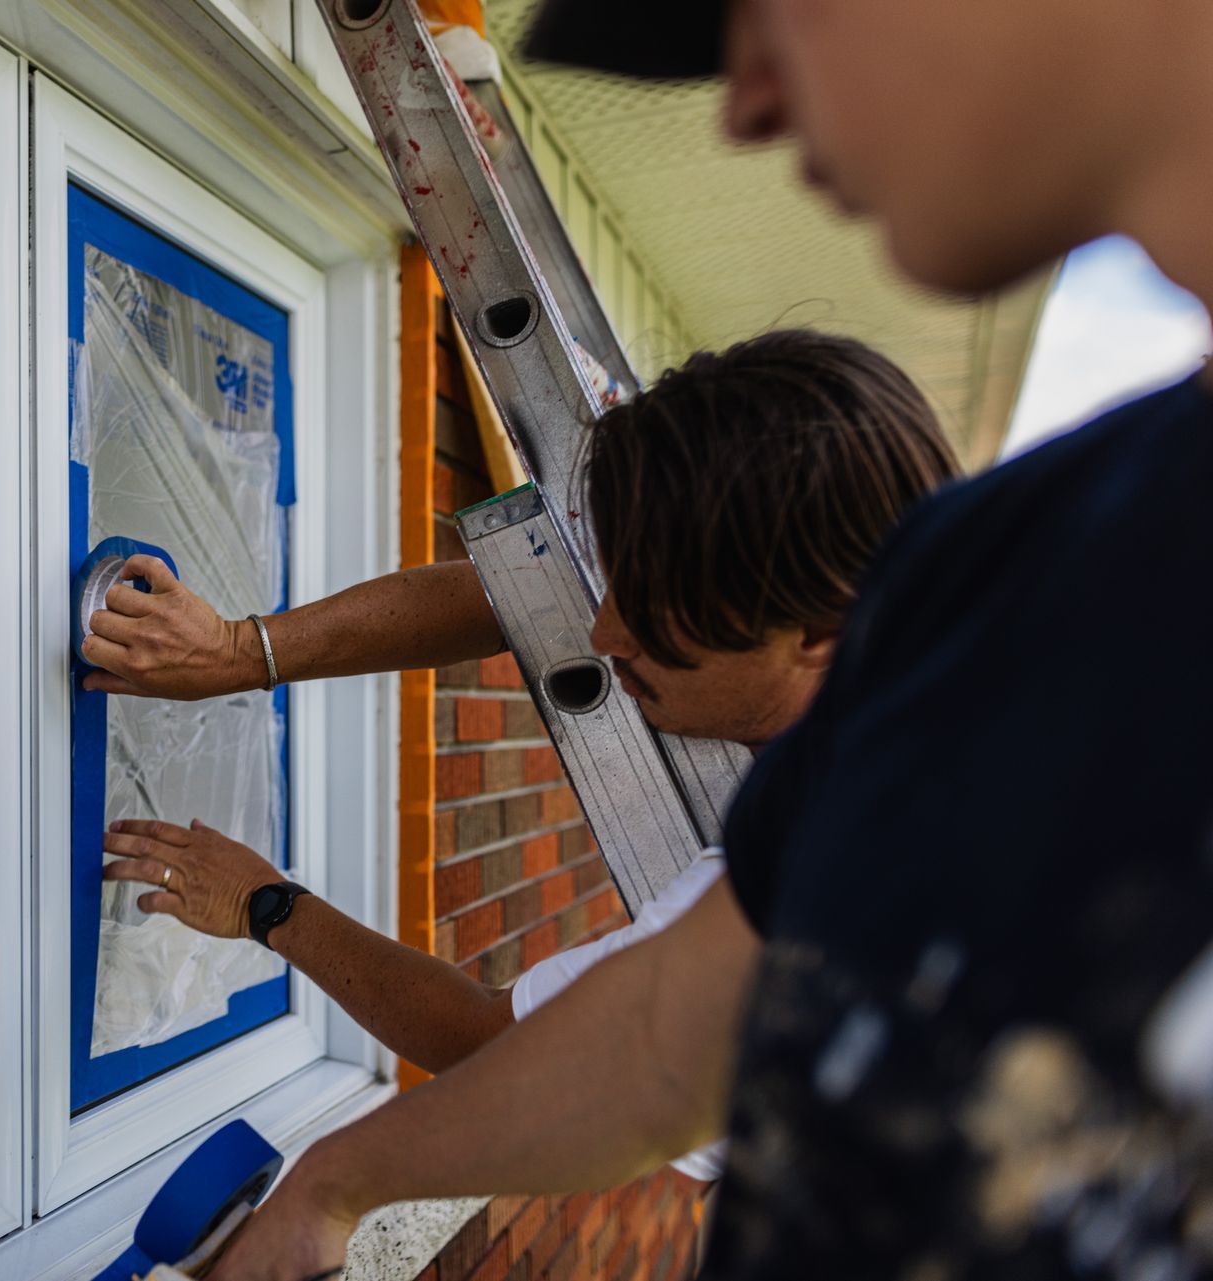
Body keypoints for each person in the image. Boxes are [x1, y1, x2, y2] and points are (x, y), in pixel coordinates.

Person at [196, 1, 1213, 1278]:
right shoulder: (1003, 564)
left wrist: (266, 828)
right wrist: (338, 1182)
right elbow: (674, 1036)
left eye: (775, 18)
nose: (746, 109)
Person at [94, 328, 957, 1181]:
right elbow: (520, 596)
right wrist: (243, 650)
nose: (604, 632)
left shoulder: (835, 880)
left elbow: (499, 1048)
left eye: (655, 606)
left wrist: (265, 903)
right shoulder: (924, 692)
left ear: (814, 632)